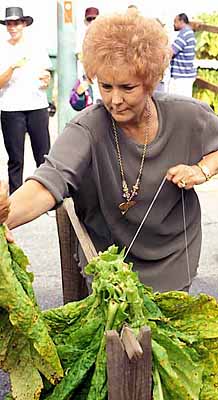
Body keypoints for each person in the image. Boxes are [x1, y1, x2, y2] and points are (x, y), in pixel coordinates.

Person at [1, 10, 218, 294]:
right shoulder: (86, 128)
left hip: (174, 256)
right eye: (105, 86)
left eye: (128, 87)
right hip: (108, 262)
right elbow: (47, 181)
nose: (115, 100)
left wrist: (201, 170)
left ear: (150, 80)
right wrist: (6, 217)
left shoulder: (188, 116)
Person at [0, 7, 51, 194]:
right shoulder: (2, 49)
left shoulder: (36, 47)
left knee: (44, 156)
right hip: (11, 109)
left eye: (16, 23)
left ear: (24, 24)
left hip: (37, 106)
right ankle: (15, 201)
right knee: (15, 159)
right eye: (9, 23)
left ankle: (46, 198)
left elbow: (46, 74)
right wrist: (12, 67)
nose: (12, 27)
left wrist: (46, 80)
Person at [169, 13, 197, 97]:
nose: (173, 24)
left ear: (181, 21)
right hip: (184, 75)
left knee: (178, 103)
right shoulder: (188, 32)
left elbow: (172, 51)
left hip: (182, 76)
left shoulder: (185, 33)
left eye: (175, 22)